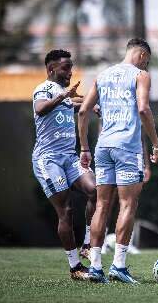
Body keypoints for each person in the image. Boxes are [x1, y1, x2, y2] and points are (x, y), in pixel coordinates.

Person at [78, 38, 158, 284]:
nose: (146, 64)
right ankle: (118, 265)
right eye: (147, 60)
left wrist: (84, 147)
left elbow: (83, 111)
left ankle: (95, 267)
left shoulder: (103, 75)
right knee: (128, 205)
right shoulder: (141, 75)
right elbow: (144, 110)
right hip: (127, 148)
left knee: (102, 205)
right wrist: (156, 145)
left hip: (103, 146)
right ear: (143, 56)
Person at [32, 49, 97, 280]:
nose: (70, 71)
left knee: (94, 191)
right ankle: (75, 267)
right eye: (65, 68)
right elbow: (41, 109)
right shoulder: (43, 89)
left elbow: (74, 102)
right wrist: (65, 96)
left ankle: (88, 244)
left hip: (69, 157)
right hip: (48, 159)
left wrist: (89, 105)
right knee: (66, 210)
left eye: (71, 67)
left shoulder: (64, 93)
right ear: (51, 69)